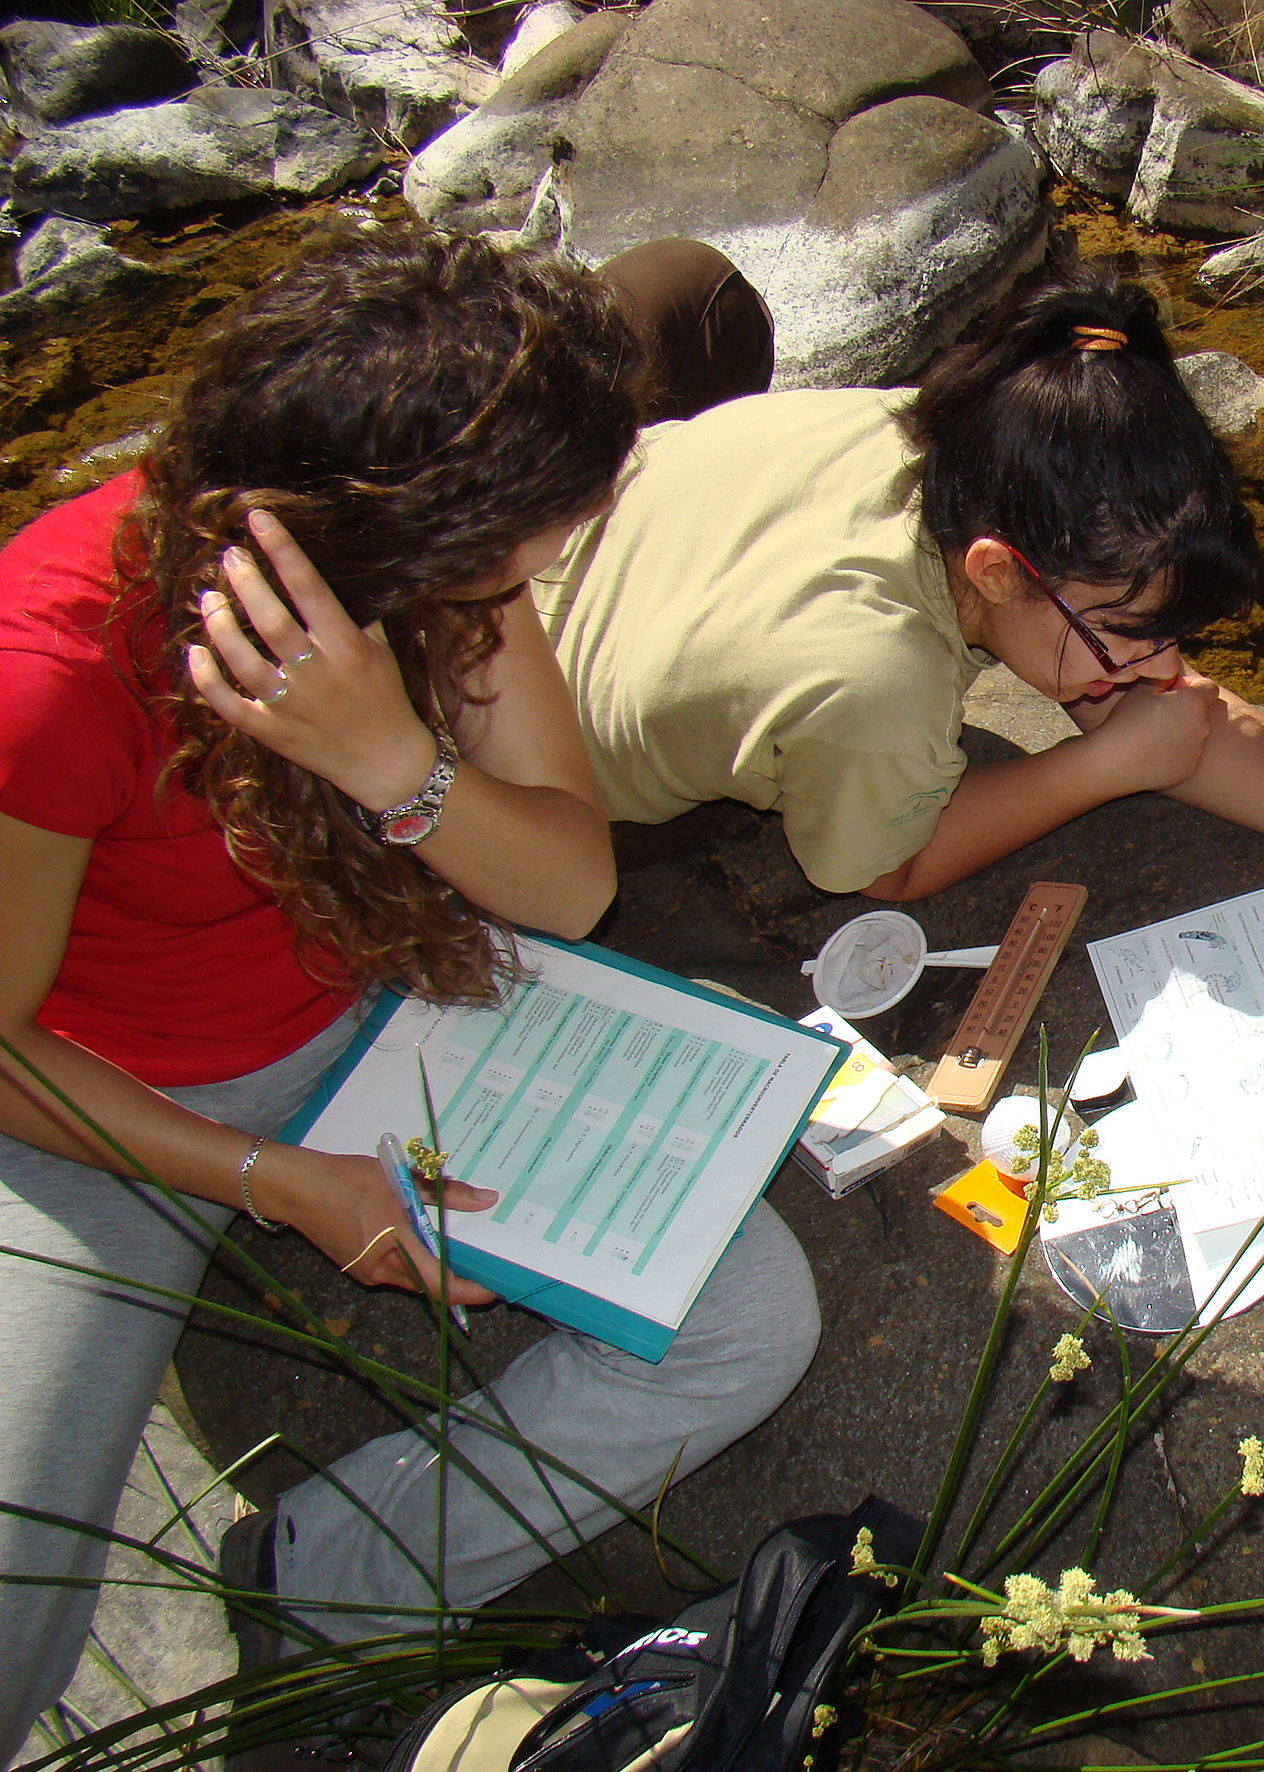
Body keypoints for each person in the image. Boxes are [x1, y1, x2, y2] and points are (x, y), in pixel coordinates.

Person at [0, 223, 820, 1757]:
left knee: (746, 1321)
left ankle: (327, 1579)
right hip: (121, 1098)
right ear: (404, 522)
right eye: (532, 544)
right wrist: (278, 1183)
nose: (543, 571)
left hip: (396, 1010)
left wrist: (391, 761)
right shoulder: (46, 670)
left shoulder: (440, 587)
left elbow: (568, 883)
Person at [531, 267, 1264, 948]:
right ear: (998, 571)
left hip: (576, 534)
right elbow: (884, 871)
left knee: (696, 293)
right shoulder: (875, 686)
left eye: (1170, 640)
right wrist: (1100, 767)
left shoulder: (968, 429)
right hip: (548, 764)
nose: (1166, 671)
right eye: (1128, 638)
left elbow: (1166, 712)